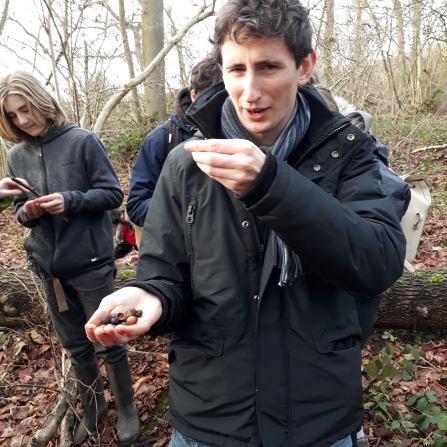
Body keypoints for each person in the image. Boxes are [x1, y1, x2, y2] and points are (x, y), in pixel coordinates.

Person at [86, 1, 406, 446]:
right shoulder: (186, 164)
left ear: (305, 66)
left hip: (317, 418)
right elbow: (164, 274)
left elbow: (377, 262)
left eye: (268, 66)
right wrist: (149, 297)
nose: (250, 91)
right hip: (209, 418)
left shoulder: (348, 152)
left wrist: (272, 185)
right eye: (236, 70)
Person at [0, 71, 139, 446]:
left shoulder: (82, 142)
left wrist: (70, 200)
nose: (23, 120)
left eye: (25, 110)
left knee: (108, 339)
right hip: (48, 269)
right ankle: (94, 406)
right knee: (75, 346)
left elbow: (112, 194)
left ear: (41, 101)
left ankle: (126, 407)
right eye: (13, 116)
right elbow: (16, 212)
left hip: (91, 263)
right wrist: (28, 212)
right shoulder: (16, 155)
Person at [126, 55, 222, 246]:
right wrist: (188, 211)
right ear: (194, 96)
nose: (220, 107)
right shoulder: (161, 139)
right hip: (180, 253)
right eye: (212, 99)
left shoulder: (245, 135)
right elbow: (136, 206)